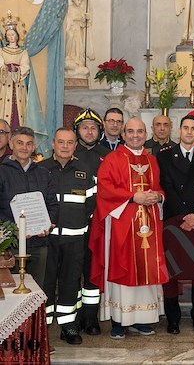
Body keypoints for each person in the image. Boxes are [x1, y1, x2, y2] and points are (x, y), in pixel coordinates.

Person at [89, 117, 168, 339]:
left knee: (146, 270)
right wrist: (134, 196)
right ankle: (119, 320)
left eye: (140, 131)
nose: (135, 135)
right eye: (131, 131)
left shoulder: (152, 160)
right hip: (121, 226)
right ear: (123, 134)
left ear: (146, 133)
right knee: (122, 268)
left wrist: (158, 197)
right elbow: (105, 190)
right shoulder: (112, 159)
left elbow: (159, 187)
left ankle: (142, 319)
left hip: (148, 226)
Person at [157, 114, 194, 334]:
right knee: (172, 272)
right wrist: (184, 215)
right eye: (185, 128)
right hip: (175, 222)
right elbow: (167, 187)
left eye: (193, 128)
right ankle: (173, 318)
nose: (189, 132)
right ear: (179, 131)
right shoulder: (164, 157)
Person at [39, 128, 95, 345]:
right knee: (45, 282)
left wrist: (80, 225)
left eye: (69, 142)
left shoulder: (84, 170)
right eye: (60, 142)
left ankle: (68, 326)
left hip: (74, 240)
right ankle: (41, 327)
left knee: (71, 283)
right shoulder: (41, 169)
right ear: (53, 143)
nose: (65, 146)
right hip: (47, 239)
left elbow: (92, 202)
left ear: (75, 146)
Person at [0, 126, 59, 287]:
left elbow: (52, 204)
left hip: (39, 244)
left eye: (29, 144)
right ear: (11, 145)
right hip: (10, 246)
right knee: (10, 292)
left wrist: (49, 224)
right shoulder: (2, 172)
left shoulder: (43, 173)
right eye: (20, 143)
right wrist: (13, 229)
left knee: (36, 290)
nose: (24, 148)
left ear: (34, 147)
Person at [73, 108, 110, 335]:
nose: (89, 131)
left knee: (93, 273)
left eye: (94, 127)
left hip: (99, 226)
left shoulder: (108, 156)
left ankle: (90, 317)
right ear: (77, 131)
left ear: (100, 131)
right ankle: (74, 319)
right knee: (71, 274)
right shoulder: (68, 152)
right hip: (73, 226)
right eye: (85, 127)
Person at [0, 22, 29, 129]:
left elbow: (26, 66)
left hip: (18, 85)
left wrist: (16, 69)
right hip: (5, 84)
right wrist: (4, 68)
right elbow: (0, 64)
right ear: (6, 37)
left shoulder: (23, 52)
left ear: (17, 36)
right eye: (9, 35)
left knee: (19, 109)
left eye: (13, 34)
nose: (11, 37)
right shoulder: (2, 51)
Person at [64, 0, 95, 79]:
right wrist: (74, 19)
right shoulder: (69, 8)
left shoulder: (80, 9)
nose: (79, 2)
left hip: (78, 30)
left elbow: (83, 23)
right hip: (71, 29)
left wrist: (86, 18)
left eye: (80, 1)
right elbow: (66, 19)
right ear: (74, 0)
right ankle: (68, 57)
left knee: (78, 46)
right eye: (78, 0)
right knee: (70, 43)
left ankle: (77, 60)